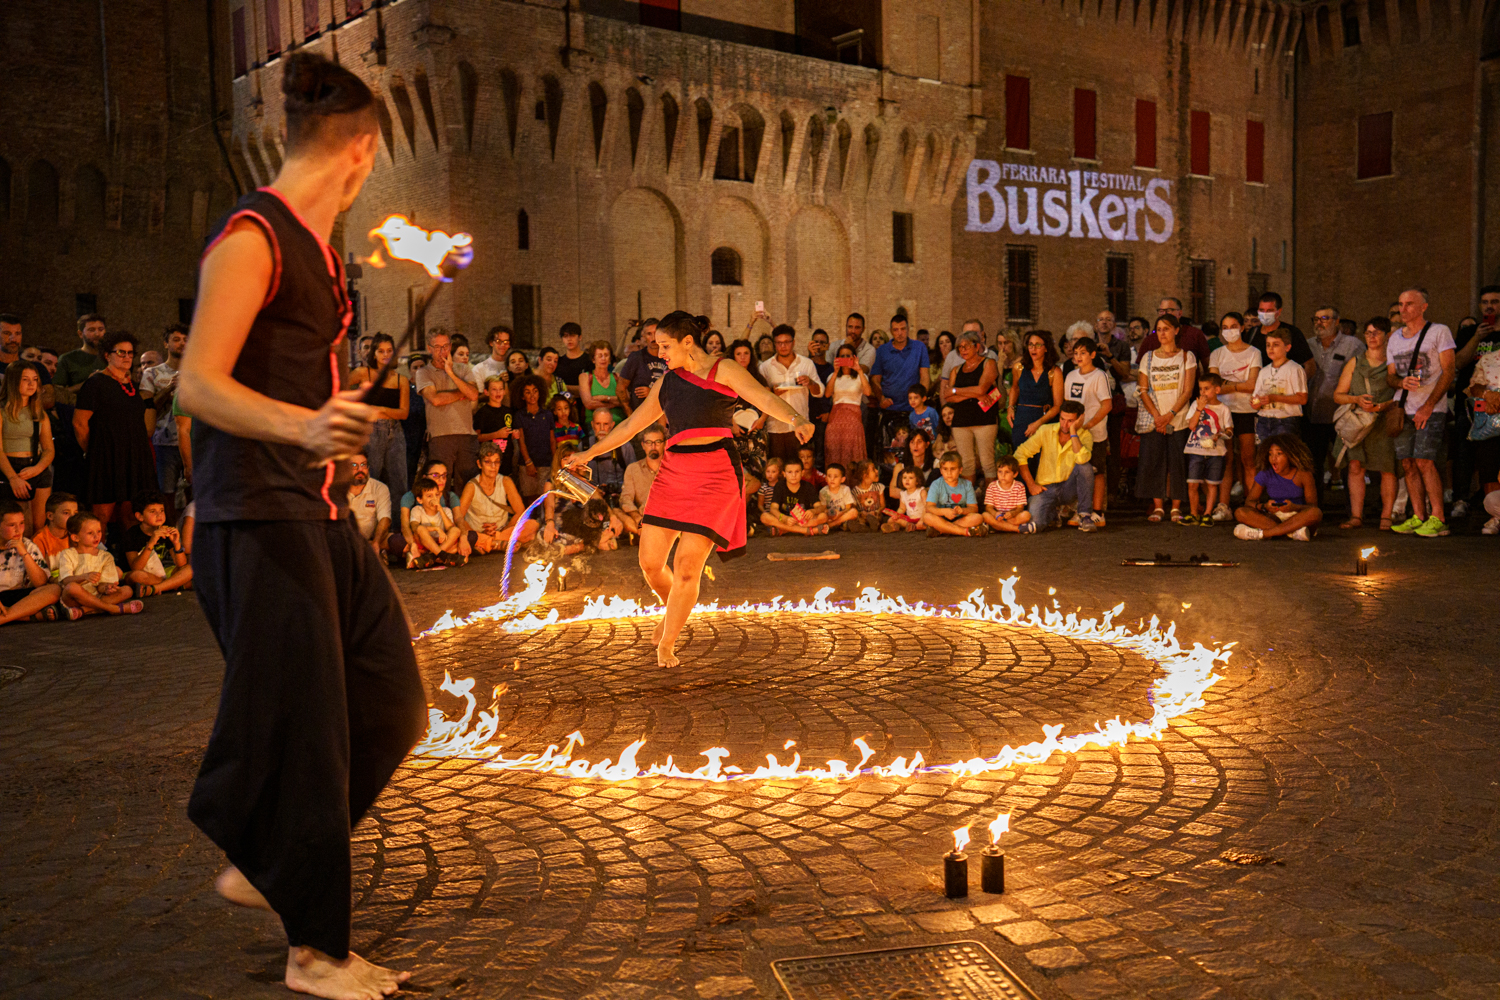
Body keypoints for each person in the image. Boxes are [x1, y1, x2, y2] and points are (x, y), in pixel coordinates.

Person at [174, 51, 423, 999]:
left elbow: (291, 383)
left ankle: (268, 851)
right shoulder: (253, 238)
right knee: (313, 735)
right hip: (253, 516)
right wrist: (303, 425)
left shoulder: (322, 252)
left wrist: (336, 420)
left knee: (395, 703)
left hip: (312, 510)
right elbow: (197, 385)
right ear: (360, 152)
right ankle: (315, 951)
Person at [567, 311, 814, 665]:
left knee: (686, 567)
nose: (660, 352)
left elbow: (762, 397)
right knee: (650, 562)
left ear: (687, 342)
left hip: (715, 474)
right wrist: (589, 453)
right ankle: (674, 611)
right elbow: (632, 426)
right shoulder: (667, 382)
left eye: (665, 345)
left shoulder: (723, 369)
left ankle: (667, 642)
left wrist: (796, 419)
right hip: (674, 472)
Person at [1384, 288, 1456, 536]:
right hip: (1404, 408)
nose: (1403, 309)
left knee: (1425, 461)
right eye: (1400, 304)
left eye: (1409, 304)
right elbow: (1390, 376)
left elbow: (1448, 371)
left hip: (1431, 408)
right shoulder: (1394, 338)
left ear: (1424, 306)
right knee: (1408, 463)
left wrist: (1429, 405)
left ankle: (1438, 517)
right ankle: (1418, 515)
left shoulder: (1438, 332)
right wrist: (1401, 383)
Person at [74, 331, 155, 537]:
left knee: (131, 514)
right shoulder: (95, 384)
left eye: (130, 353)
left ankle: (129, 560)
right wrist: (93, 453)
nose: (127, 357)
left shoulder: (133, 386)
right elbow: (79, 423)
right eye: (121, 352)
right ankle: (96, 561)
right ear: (107, 355)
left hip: (133, 457)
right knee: (101, 515)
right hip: (106, 458)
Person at [1332, 317, 1399, 530]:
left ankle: (1386, 516)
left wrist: (1381, 406)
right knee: (1355, 466)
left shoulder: (1393, 363)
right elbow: (1338, 395)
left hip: (1382, 421)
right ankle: (1356, 516)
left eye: (1377, 332)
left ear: (1387, 335)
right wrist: (1357, 399)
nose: (1371, 336)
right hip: (1359, 422)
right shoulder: (1355, 362)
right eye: (1368, 332)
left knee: (1387, 468)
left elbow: (1402, 394)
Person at [1135, 315, 1197, 523]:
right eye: (1158, 329)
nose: (1162, 333)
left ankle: (1176, 506)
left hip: (1178, 418)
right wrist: (1157, 417)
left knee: (1177, 462)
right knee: (1154, 461)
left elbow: (1188, 390)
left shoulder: (1187, 357)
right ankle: (1159, 506)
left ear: (1176, 331)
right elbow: (1143, 390)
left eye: (1166, 329)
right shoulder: (1148, 357)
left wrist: (1170, 415)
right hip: (1155, 419)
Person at [1208, 311, 1263, 519]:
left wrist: (1227, 385)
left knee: (1248, 458)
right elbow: (1215, 385)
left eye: (1233, 326)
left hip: (1247, 410)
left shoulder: (1254, 353)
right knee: (1226, 458)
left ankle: (1251, 503)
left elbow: (1252, 385)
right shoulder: (1217, 354)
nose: (1229, 331)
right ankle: (1224, 505)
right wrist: (1237, 385)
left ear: (1241, 328)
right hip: (1223, 412)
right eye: (1225, 327)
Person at [1014, 401, 1098, 532]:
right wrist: (1031, 485)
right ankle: (1053, 513)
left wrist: (1073, 432)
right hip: (1045, 489)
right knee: (1036, 525)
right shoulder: (1046, 430)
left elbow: (1082, 459)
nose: (1065, 424)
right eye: (1062, 419)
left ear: (1080, 419)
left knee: (1086, 467)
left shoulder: (1085, 435)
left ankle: (1085, 516)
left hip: (1069, 488)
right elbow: (1020, 454)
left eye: (1070, 421)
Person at [345, 332, 410, 502]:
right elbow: (341, 391)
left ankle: (398, 525)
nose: (386, 355)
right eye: (381, 351)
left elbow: (403, 413)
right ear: (374, 352)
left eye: (389, 351)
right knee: (370, 477)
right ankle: (369, 522)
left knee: (399, 481)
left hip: (395, 431)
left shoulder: (400, 380)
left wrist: (380, 409)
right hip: (371, 430)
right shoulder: (362, 373)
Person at [1306, 307, 1363, 498]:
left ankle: (1352, 511)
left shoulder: (1352, 345)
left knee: (1347, 463)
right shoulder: (1308, 345)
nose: (1319, 323)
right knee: (1313, 464)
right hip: (1313, 414)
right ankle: (1314, 508)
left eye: (1324, 318)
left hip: (1341, 414)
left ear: (1337, 321)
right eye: (1315, 318)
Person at [415, 328, 479, 491]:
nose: (442, 351)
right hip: (440, 437)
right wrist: (461, 393)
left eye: (445, 346)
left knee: (467, 485)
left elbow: (472, 394)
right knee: (439, 485)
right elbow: (435, 399)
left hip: (466, 435)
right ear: (429, 349)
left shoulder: (463, 369)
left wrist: (450, 372)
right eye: (437, 347)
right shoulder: (424, 372)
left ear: (450, 347)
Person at [1233, 434, 1323, 540]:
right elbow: (1249, 502)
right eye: (1270, 454)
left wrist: (1295, 507)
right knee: (1240, 512)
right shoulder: (1265, 474)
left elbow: (1312, 506)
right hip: (1275, 518)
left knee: (1315, 513)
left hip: (1298, 517)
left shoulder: (1303, 474)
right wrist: (1264, 506)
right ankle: (1291, 533)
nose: (1273, 458)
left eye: (1279, 454)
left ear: (1290, 455)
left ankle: (1263, 534)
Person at [1064, 338, 1112, 523]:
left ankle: (1098, 512)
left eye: (1083, 353)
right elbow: (1068, 404)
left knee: (1097, 471)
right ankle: (1081, 510)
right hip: (1075, 433)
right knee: (1077, 470)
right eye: (1076, 353)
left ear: (1092, 355)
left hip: (1095, 432)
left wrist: (1089, 424)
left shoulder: (1099, 376)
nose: (1078, 357)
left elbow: (1107, 405)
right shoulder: (1070, 376)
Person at [140, 323, 189, 505]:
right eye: (176, 340)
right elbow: (148, 406)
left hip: (192, 440)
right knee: (166, 492)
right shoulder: (152, 373)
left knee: (195, 491)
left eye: (185, 340)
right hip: (164, 442)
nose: (182, 343)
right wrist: (170, 388)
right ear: (165, 344)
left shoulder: (196, 372)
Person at [943, 330, 999, 489]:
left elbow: (982, 389)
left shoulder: (989, 363)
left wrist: (957, 391)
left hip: (984, 419)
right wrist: (972, 394)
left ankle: (991, 502)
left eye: (966, 346)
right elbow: (948, 396)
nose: (963, 350)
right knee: (966, 463)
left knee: (987, 462)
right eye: (960, 347)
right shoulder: (956, 369)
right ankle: (970, 501)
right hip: (961, 420)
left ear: (977, 346)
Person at [758, 324, 823, 461]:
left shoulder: (806, 364)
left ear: (793, 342)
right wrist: (773, 393)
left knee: (799, 468)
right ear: (774, 344)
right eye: (779, 343)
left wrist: (810, 383)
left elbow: (819, 392)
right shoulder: (765, 367)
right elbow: (759, 397)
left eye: (786, 342)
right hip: (775, 427)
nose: (783, 346)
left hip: (800, 426)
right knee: (777, 469)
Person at [458, 442, 535, 555]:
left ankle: (491, 543)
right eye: (488, 462)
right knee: (460, 532)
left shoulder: (505, 482)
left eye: (496, 462)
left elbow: (520, 511)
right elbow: (459, 517)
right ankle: (494, 543)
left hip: (501, 531)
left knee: (532, 525)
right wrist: (477, 533)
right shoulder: (471, 486)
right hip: (477, 532)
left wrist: (500, 533)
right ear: (479, 464)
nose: (493, 467)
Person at [2, 360, 54, 529]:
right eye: (26, 379)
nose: (32, 384)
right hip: (11, 468)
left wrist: (37, 469)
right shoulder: (2, 412)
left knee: (39, 525)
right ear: (13, 381)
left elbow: (48, 449)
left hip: (36, 466)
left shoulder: (39, 413)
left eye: (35, 379)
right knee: (20, 523)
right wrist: (13, 478)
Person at [57, 511, 141, 614]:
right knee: (72, 588)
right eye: (90, 533)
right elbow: (65, 581)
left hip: (97, 596)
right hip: (74, 599)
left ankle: (85, 610)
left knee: (127, 590)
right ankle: (113, 609)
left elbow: (101, 585)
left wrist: (106, 588)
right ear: (75, 537)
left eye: (99, 531)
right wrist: (84, 577)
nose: (96, 536)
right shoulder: (67, 554)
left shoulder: (105, 556)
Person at [870, 315, 931, 452]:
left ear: (908, 329)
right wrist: (881, 398)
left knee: (916, 449)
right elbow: (875, 379)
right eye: (896, 329)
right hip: (890, 410)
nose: (900, 333)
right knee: (889, 451)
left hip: (914, 409)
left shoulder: (919, 347)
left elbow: (925, 377)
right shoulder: (882, 351)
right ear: (891, 331)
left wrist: (921, 400)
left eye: (903, 329)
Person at [0, 499, 65, 625]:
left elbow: (40, 582)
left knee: (54, 589)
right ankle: (27, 616)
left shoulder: (27, 546)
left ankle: (4, 618)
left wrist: (23, 553)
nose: (18, 530)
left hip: (17, 597)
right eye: (12, 525)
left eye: (22, 523)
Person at [1182, 374, 1233, 526]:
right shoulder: (1195, 405)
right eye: (1201, 389)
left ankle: (1207, 513)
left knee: (1212, 483)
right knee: (1193, 483)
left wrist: (1221, 435)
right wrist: (1199, 409)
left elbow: (1230, 430)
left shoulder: (1223, 409)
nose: (1203, 392)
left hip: (1215, 452)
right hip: (1196, 450)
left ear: (1217, 389)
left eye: (1207, 389)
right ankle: (1193, 513)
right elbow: (1191, 426)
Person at [122, 490, 194, 596]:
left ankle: (156, 588)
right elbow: (136, 567)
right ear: (140, 516)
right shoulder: (131, 535)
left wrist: (176, 544)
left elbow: (181, 564)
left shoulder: (167, 530)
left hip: (164, 573)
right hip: (146, 575)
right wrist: (151, 543)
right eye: (152, 511)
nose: (159, 515)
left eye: (161, 510)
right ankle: (173, 585)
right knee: (136, 576)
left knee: (190, 568)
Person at [394, 459, 463, 566]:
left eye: (444, 476)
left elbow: (457, 522)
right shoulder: (411, 499)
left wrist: (463, 539)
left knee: (467, 535)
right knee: (395, 541)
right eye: (436, 475)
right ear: (425, 477)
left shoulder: (450, 498)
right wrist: (412, 544)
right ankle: (446, 555)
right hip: (422, 539)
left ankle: (428, 557)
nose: (441, 480)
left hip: (443, 539)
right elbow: (407, 526)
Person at [1008, 331, 1064, 452]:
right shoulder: (1019, 367)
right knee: (1021, 457)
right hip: (1022, 418)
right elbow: (1015, 388)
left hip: (1044, 419)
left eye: (1038, 345)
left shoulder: (1054, 372)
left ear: (1046, 348)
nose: (1033, 348)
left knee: (1042, 461)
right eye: (1030, 344)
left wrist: (1038, 423)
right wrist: (1010, 407)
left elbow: (1058, 405)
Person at [1251, 328, 1308, 442]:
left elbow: (1302, 398)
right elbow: (1255, 398)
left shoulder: (1294, 369)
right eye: (1268, 345)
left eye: (1275, 345)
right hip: (1263, 419)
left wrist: (1274, 398)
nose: (1271, 348)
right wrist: (1256, 403)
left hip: (1285, 421)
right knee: (1264, 454)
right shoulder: (1264, 371)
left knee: (1283, 454)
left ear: (1287, 347)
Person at [823, 344, 871, 472]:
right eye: (842, 356)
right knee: (834, 453)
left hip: (853, 419)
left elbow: (867, 392)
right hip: (835, 419)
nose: (845, 358)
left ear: (854, 357)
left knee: (852, 454)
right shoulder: (832, 377)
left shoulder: (861, 376)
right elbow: (827, 394)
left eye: (848, 356)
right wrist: (835, 372)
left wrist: (859, 369)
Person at [615, 424, 665, 540]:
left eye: (658, 442)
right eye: (648, 442)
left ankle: (645, 535)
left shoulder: (672, 468)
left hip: (666, 518)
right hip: (642, 518)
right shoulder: (633, 469)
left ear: (664, 444)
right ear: (643, 445)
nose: (653, 446)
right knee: (617, 512)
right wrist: (638, 518)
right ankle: (645, 532)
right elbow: (626, 499)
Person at [407, 475, 468, 567]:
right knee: (420, 529)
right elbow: (415, 527)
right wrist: (436, 529)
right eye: (429, 496)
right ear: (420, 499)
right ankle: (444, 556)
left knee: (456, 530)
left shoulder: (446, 510)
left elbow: (450, 528)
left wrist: (440, 510)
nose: (434, 499)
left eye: (436, 495)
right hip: (425, 543)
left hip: (442, 543)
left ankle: (431, 557)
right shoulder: (417, 510)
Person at [511, 375, 555, 500]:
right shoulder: (520, 416)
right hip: (526, 464)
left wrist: (555, 461)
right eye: (528, 392)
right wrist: (528, 462)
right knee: (529, 498)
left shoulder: (547, 414)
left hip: (546, 463)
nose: (532, 395)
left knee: (545, 497)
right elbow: (521, 441)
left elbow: (552, 440)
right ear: (522, 396)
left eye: (535, 391)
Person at [1247, 292, 1315, 372]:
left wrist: (1299, 382)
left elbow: (1310, 365)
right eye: (1262, 310)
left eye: (1269, 311)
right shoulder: (1252, 333)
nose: (1265, 314)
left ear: (1278, 312)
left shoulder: (1292, 332)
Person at [922, 451, 985, 536]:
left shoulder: (967, 484)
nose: (949, 473)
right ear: (941, 470)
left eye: (953, 469)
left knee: (978, 518)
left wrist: (962, 510)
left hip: (960, 519)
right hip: (941, 517)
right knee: (927, 517)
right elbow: (929, 507)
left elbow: (974, 508)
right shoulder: (936, 484)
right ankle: (964, 532)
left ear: (960, 470)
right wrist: (943, 512)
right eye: (945, 469)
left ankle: (941, 529)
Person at [1139, 298, 1210, 372]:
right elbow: (1142, 370)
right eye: (1161, 311)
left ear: (1180, 313)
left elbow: (1206, 365)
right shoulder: (1150, 340)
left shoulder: (1194, 334)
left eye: (1168, 310)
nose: (1164, 314)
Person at [762, 457, 828, 535]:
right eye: (790, 472)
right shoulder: (779, 486)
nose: (793, 475)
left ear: (802, 473)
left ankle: (784, 530)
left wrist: (813, 511)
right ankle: (806, 531)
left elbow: (819, 507)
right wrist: (784, 518)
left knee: (823, 516)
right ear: (784, 474)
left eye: (797, 472)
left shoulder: (808, 486)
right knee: (764, 516)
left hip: (803, 521)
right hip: (785, 519)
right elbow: (773, 508)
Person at [583, 409, 638, 500]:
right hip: (593, 497)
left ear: (612, 425)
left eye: (606, 424)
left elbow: (634, 475)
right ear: (592, 425)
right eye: (598, 424)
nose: (601, 428)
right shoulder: (585, 446)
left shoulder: (624, 446)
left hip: (621, 496)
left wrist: (623, 493)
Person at [345, 453, 392, 554]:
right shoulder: (337, 488)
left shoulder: (379, 488)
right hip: (344, 539)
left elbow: (385, 518)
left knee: (397, 541)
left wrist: (376, 542)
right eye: (354, 466)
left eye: (363, 465)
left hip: (371, 538)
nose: (360, 470)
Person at [617, 317, 665, 405]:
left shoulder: (670, 357)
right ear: (644, 336)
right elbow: (621, 388)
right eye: (649, 334)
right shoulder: (636, 358)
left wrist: (652, 392)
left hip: (666, 413)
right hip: (641, 412)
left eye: (655, 333)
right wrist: (630, 414)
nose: (653, 338)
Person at [580, 340, 629, 424]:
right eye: (600, 356)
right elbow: (589, 404)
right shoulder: (585, 377)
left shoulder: (617, 376)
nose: (603, 359)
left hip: (618, 424)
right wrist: (615, 403)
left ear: (610, 359)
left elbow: (626, 399)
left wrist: (604, 398)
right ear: (593, 359)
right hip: (596, 425)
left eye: (606, 355)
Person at [981, 455, 1032, 533]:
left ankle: (996, 526)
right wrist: (995, 514)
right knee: (985, 515)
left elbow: (1020, 508)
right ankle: (1017, 529)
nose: (1003, 475)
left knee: (1026, 515)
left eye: (1007, 472)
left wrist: (1012, 513)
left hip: (1012, 517)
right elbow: (988, 507)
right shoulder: (992, 486)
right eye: (1000, 472)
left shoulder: (1019, 486)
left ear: (1015, 474)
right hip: (997, 517)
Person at [31, 491, 77, 575]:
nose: (72, 517)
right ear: (50, 516)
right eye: (66, 513)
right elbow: (39, 574)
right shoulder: (40, 539)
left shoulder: (76, 535)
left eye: (75, 513)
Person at [883, 466, 927, 531]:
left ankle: (901, 527)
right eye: (904, 478)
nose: (907, 480)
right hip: (910, 519)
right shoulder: (903, 494)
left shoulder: (921, 492)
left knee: (927, 522)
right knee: (890, 520)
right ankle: (907, 526)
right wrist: (897, 515)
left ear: (917, 481)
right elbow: (902, 508)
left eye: (911, 478)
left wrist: (921, 520)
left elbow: (926, 507)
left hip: (921, 518)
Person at [468, 324, 512, 389]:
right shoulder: (479, 369)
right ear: (491, 343)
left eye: (506, 342)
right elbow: (477, 396)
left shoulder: (514, 366)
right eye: (498, 341)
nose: (502, 345)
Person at [553, 322, 593, 393]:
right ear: (562, 339)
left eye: (572, 335)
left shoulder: (589, 360)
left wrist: (565, 387)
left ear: (580, 337)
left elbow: (592, 387)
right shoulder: (559, 362)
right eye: (565, 336)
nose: (569, 339)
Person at [819, 463, 859, 530]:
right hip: (830, 517)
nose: (832, 479)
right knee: (822, 517)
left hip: (842, 515)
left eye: (836, 476)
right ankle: (840, 525)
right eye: (829, 476)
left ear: (842, 479)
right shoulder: (823, 492)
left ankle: (831, 525)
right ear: (826, 478)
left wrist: (840, 513)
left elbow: (848, 508)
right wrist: (830, 514)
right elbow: (823, 508)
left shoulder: (845, 489)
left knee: (854, 512)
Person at [847, 460, 885, 532]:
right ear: (865, 475)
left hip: (875, 514)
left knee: (877, 517)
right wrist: (862, 513)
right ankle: (863, 527)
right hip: (862, 516)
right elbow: (854, 508)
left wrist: (876, 511)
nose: (877, 471)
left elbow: (882, 506)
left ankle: (874, 524)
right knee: (858, 519)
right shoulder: (855, 491)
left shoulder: (879, 487)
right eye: (873, 470)